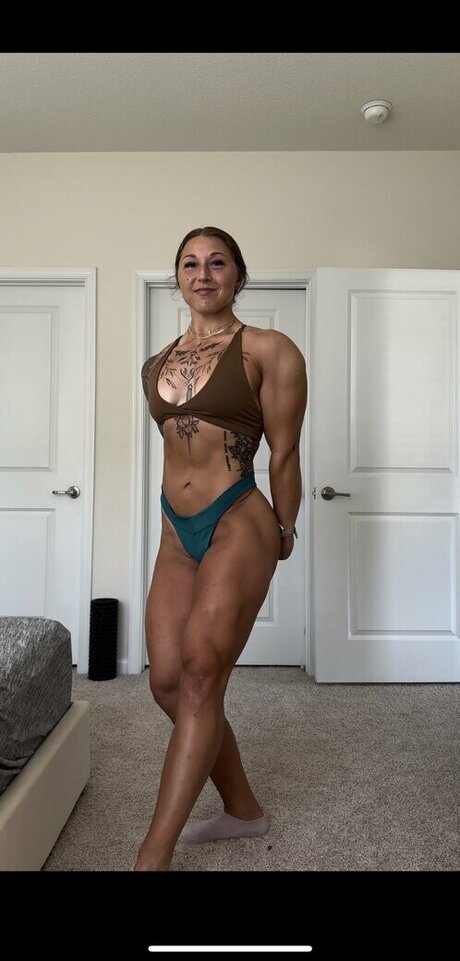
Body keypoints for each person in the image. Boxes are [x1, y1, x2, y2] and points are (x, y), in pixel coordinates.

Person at [135, 226, 308, 871]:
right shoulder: (157, 363)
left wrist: (285, 529)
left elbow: (285, 451)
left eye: (216, 263)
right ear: (178, 278)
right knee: (166, 683)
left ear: (238, 275)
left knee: (203, 674)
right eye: (190, 264)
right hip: (175, 530)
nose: (202, 274)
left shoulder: (268, 349)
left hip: (238, 517)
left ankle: (152, 857)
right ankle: (241, 809)